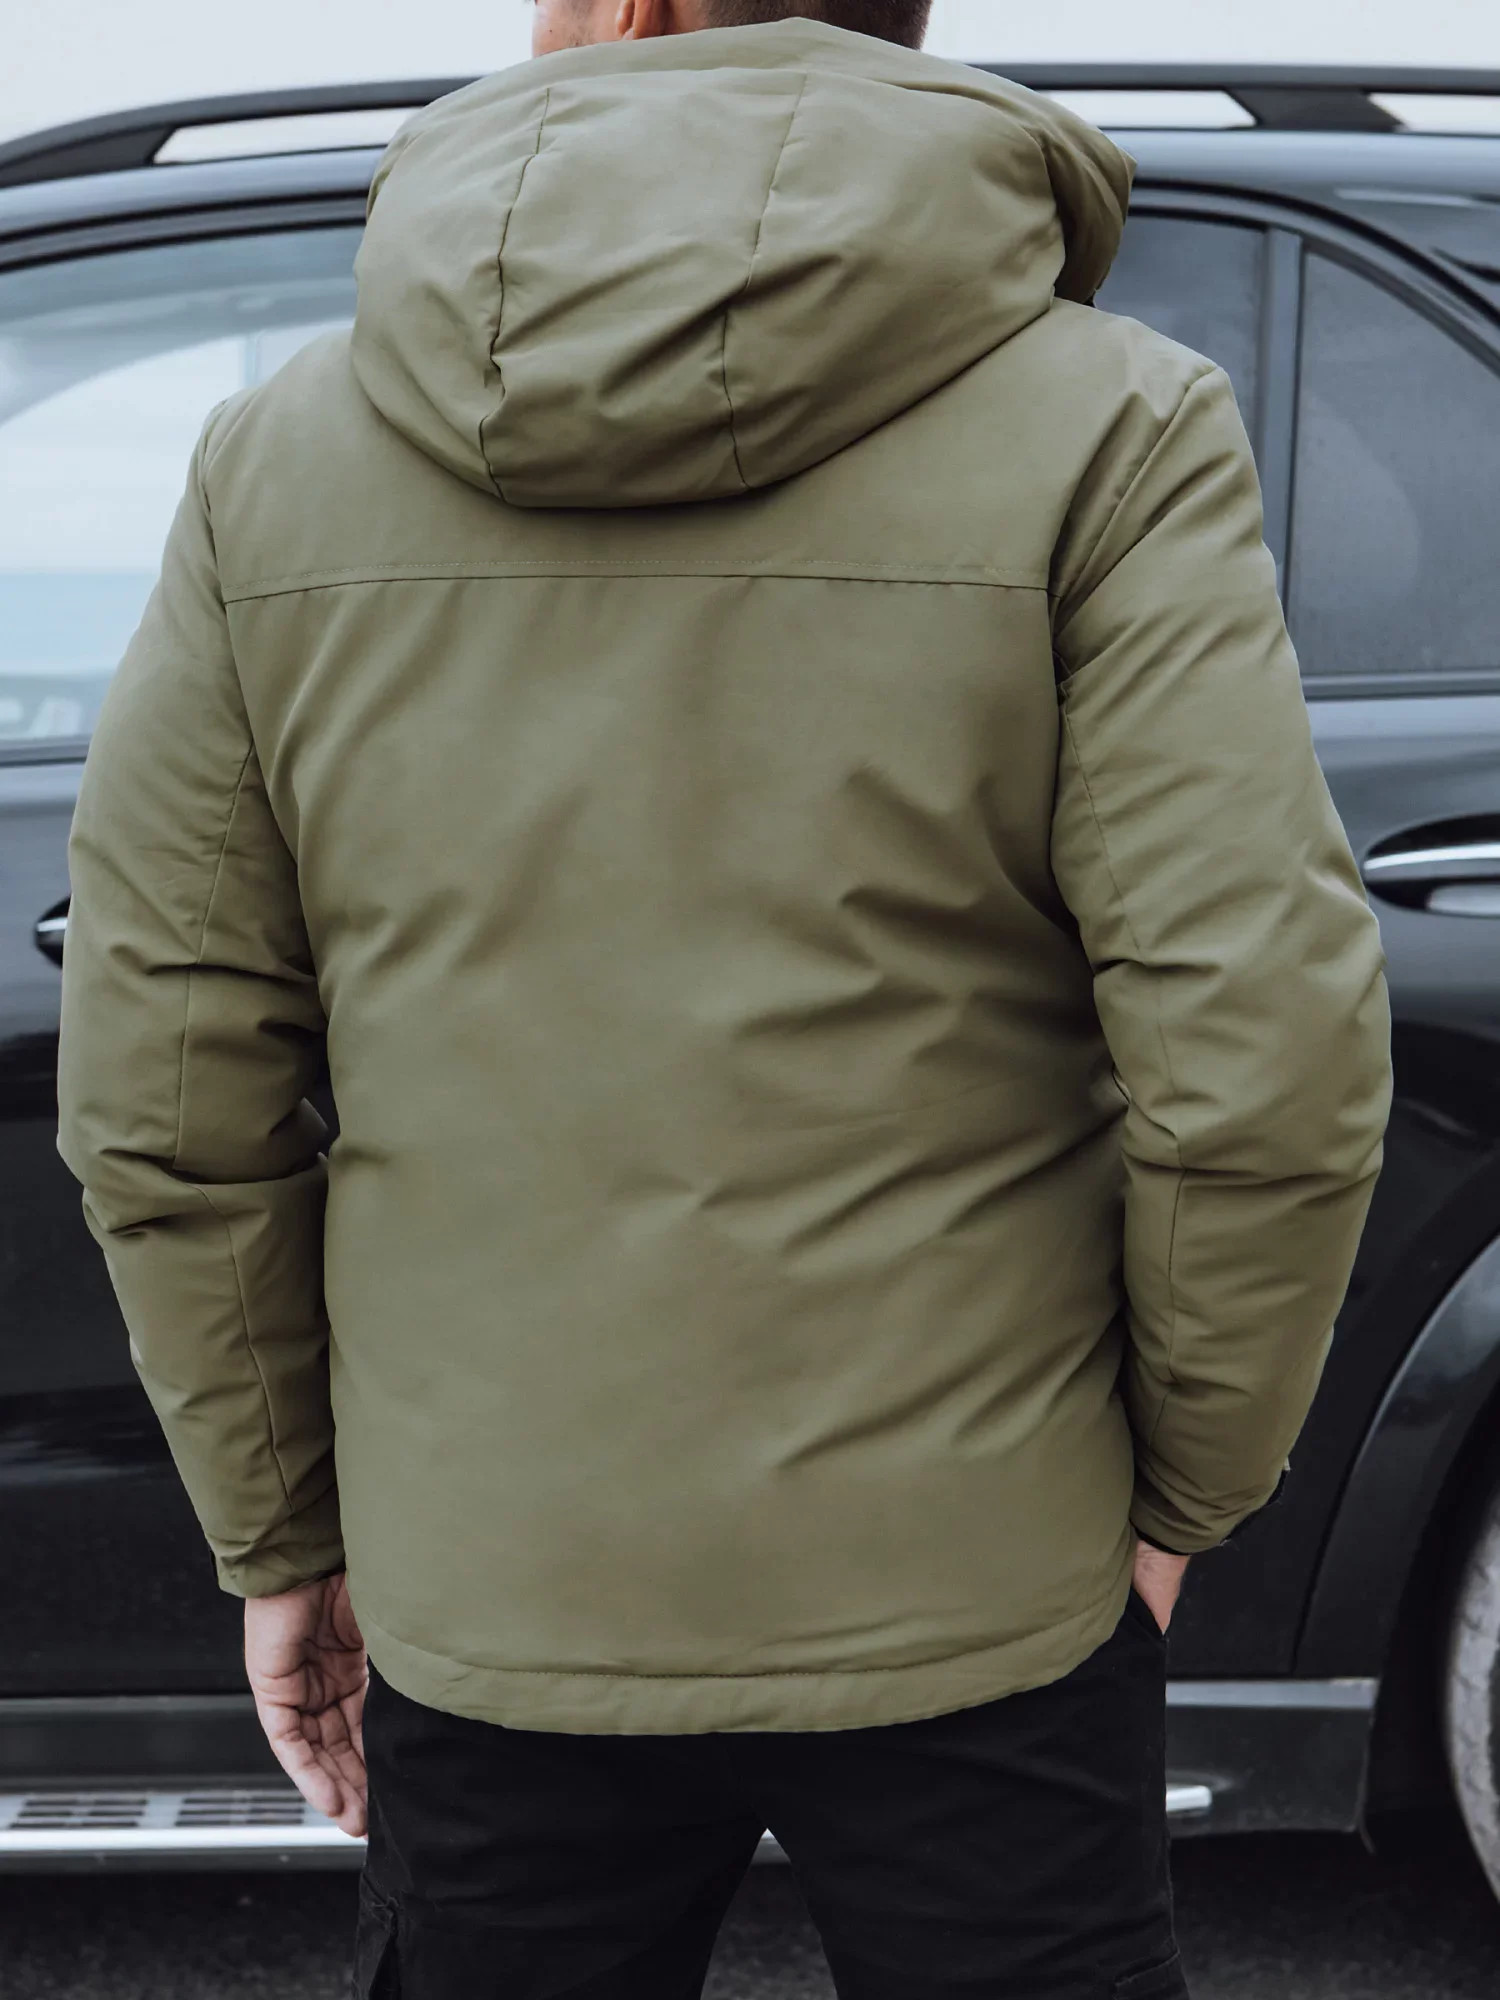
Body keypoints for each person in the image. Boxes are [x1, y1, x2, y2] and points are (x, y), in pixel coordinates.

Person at [56, 2, 1392, 1994]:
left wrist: (285, 1533)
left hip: (499, 1577)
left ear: (612, 10)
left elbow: (167, 1086)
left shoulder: (281, 460)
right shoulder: (1113, 421)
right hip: (979, 1565)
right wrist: (1185, 1493)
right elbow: (1263, 1051)